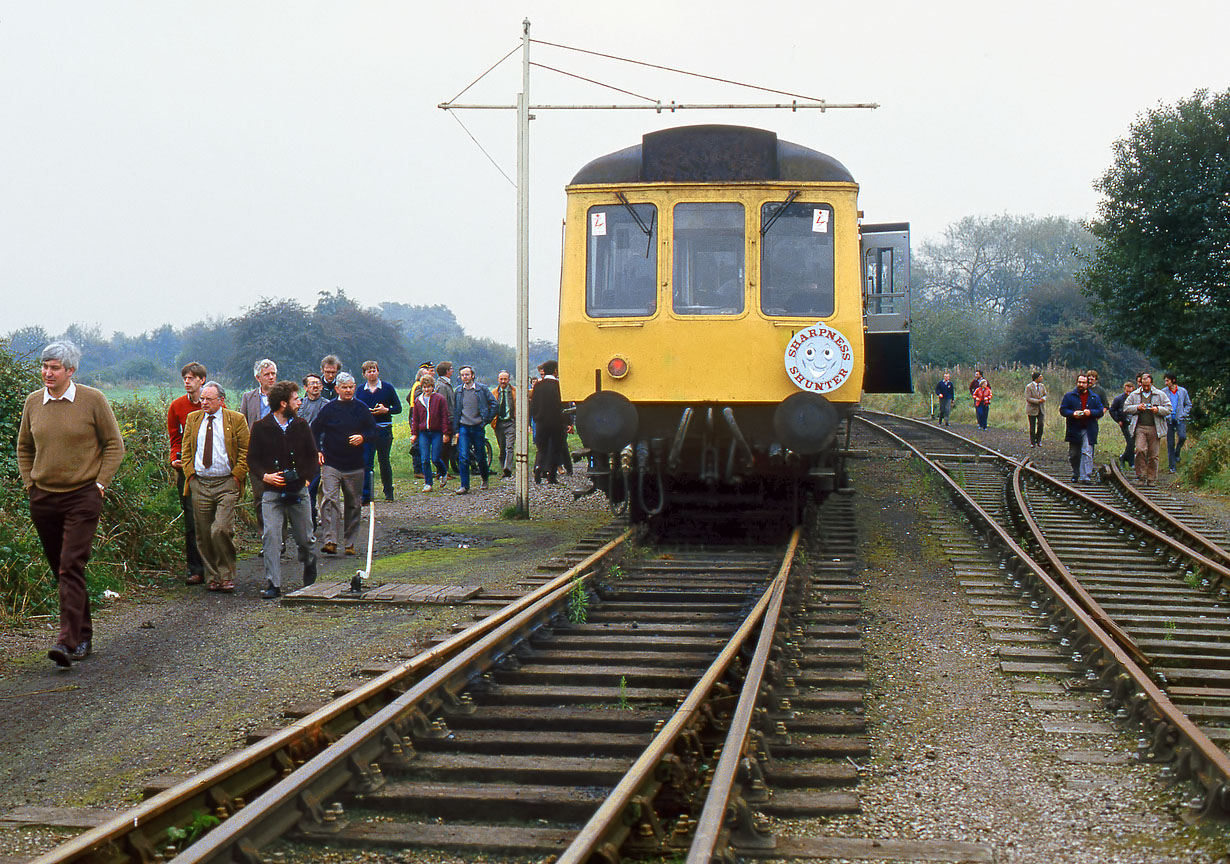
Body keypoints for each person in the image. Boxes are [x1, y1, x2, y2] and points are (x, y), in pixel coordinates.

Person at [18, 340, 125, 667]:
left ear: (70, 371)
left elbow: (114, 445)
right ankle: (84, 635)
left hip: (82, 496)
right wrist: (30, 485)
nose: (48, 373)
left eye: (55, 368)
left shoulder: (93, 400)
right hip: (44, 498)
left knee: (70, 565)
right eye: (45, 366)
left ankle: (67, 641)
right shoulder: (34, 402)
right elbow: (24, 447)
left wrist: (99, 485)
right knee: (63, 570)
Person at [247, 381, 320, 599]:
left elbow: (312, 456)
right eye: (295, 398)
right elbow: (252, 459)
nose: (299, 402)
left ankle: (309, 563)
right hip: (272, 492)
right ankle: (273, 584)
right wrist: (264, 476)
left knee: (305, 538)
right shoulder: (261, 427)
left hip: (298, 491)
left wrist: (306, 479)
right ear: (282, 403)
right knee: (270, 536)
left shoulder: (301, 425)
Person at [182, 381, 249, 593]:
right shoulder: (193, 419)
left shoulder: (236, 419)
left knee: (220, 529)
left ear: (221, 400)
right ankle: (213, 576)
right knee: (202, 532)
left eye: (209, 399)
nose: (204, 403)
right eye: (202, 399)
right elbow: (185, 450)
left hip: (226, 483)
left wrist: (237, 476)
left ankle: (226, 574)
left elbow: (246, 451)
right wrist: (190, 474)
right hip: (200, 483)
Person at [311, 372, 377, 555]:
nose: (348, 390)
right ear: (337, 389)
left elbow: (374, 432)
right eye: (344, 387)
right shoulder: (329, 409)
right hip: (331, 463)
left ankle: (349, 542)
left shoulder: (362, 408)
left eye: (351, 387)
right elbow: (314, 429)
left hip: (355, 465)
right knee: (329, 500)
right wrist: (317, 450)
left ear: (354, 387)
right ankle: (330, 540)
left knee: (353, 504)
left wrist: (363, 437)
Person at [167, 361, 207, 584]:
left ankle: (215, 565)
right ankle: (195, 569)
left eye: (191, 378)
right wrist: (175, 458)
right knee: (191, 520)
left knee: (210, 520)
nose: (187, 382)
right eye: (184, 378)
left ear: (202, 380)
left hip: (211, 469)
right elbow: (175, 438)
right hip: (187, 470)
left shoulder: (211, 403)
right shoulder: (176, 407)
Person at [240, 359, 279, 537]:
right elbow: (242, 424)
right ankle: (265, 536)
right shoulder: (248, 398)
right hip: (256, 455)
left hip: (279, 454)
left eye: (273, 374)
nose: (271, 378)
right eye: (267, 375)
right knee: (260, 498)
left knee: (279, 496)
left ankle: (280, 537)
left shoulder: (283, 395)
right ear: (258, 377)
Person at [355, 360, 402, 503]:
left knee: (384, 461)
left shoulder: (387, 388)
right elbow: (355, 409)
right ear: (364, 374)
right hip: (367, 431)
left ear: (378, 371)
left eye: (374, 370)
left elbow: (398, 408)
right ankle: (366, 495)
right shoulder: (360, 390)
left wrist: (385, 410)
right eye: (368, 371)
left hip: (384, 429)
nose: (372, 373)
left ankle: (389, 492)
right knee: (367, 462)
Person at [453, 365, 497, 494]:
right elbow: (456, 410)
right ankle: (464, 485)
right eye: (462, 375)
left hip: (478, 426)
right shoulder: (458, 391)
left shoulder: (481, 389)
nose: (465, 377)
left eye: (467, 374)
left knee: (480, 455)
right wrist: (456, 429)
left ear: (472, 375)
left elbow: (494, 404)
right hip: (464, 427)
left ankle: (484, 478)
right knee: (463, 457)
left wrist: (486, 420)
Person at [1125, 372, 1172, 485]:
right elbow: (1126, 408)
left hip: (1155, 427)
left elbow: (1169, 408)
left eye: (1147, 385)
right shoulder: (1135, 394)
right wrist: (1137, 407)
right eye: (1143, 385)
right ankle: (1141, 476)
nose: (1145, 388)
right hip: (1140, 427)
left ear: (1152, 383)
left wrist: (1158, 409)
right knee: (1140, 450)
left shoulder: (1160, 394)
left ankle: (1151, 478)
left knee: (1153, 454)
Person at [298, 373, 331, 529]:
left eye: (318, 383)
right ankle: (309, 517)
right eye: (312, 384)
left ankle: (323, 520)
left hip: (322, 452)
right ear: (305, 387)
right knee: (306, 487)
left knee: (319, 487)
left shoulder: (327, 405)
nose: (315, 386)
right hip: (303, 452)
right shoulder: (300, 405)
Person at [1058, 374, 1104, 484]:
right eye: (1079, 382)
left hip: (1088, 428)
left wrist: (1091, 412)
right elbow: (1063, 410)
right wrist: (1073, 413)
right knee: (1074, 454)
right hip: (1074, 428)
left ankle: (1085, 477)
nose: (1081, 385)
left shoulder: (1094, 397)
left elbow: (1100, 411)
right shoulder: (1069, 396)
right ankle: (1076, 473)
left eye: (1083, 383)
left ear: (1088, 384)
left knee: (1086, 451)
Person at [410, 375, 452, 492]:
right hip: (424, 432)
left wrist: (445, 433)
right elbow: (415, 419)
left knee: (435, 457)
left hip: (436, 432)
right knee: (424, 459)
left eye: (429, 387)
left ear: (433, 387)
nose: (427, 390)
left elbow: (444, 416)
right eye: (424, 387)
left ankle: (443, 472)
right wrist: (414, 433)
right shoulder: (418, 400)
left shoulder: (439, 399)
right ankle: (428, 483)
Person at [531, 360, 566, 484]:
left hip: (541, 422)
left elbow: (533, 404)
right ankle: (552, 476)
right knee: (555, 448)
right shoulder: (558, 385)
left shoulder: (538, 386)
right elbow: (563, 404)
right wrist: (567, 422)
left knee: (542, 448)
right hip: (556, 422)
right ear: (555, 370)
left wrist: (535, 418)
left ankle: (538, 467)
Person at [1164, 372, 1192, 473]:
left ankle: (1177, 452)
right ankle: (1172, 466)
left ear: (1173, 381)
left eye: (1167, 380)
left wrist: (1184, 414)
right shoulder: (1164, 392)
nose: (1166, 383)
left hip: (1180, 418)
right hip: (1169, 419)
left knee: (1182, 436)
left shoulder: (1182, 391)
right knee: (1170, 443)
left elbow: (1188, 404)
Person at [434, 361, 457, 484]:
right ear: (447, 371)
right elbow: (442, 405)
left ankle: (444, 471)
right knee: (445, 446)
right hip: (446, 420)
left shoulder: (445, 384)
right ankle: (442, 472)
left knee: (448, 447)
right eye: (451, 368)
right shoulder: (442, 386)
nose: (452, 370)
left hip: (449, 419)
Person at [492, 370, 517, 477]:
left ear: (509, 380)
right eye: (501, 379)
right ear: (498, 380)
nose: (503, 381)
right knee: (502, 448)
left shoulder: (514, 392)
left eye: (505, 379)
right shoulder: (494, 393)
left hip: (510, 422)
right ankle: (503, 467)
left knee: (509, 446)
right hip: (498, 423)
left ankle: (508, 468)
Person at [1108, 381, 1135, 470]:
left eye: (1130, 392)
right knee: (1130, 442)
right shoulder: (1119, 399)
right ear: (1124, 390)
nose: (1129, 394)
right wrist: (1118, 420)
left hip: (1134, 422)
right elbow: (1112, 410)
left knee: (1133, 442)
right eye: (1127, 392)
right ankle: (1131, 461)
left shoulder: (1136, 398)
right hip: (1124, 422)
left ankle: (1124, 457)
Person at [1024, 370, 1047, 447]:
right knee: (1032, 426)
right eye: (1040, 377)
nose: (1042, 378)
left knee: (1041, 424)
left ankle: (1039, 440)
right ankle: (1032, 442)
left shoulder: (1042, 386)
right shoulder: (1029, 387)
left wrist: (1044, 398)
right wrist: (1038, 401)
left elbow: (1045, 394)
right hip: (1032, 409)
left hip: (1041, 409)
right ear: (1036, 378)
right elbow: (1028, 398)